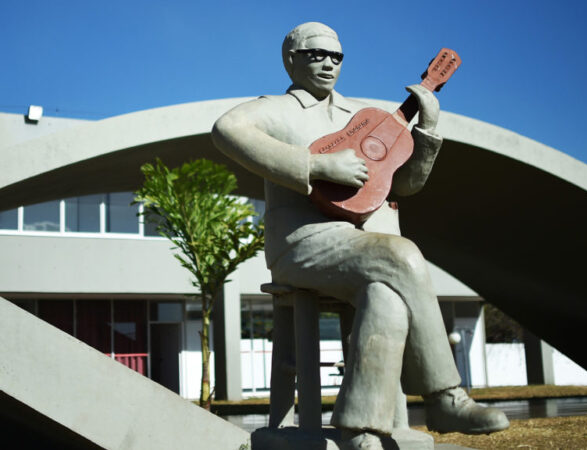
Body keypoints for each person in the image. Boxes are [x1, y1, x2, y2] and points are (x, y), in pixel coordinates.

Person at [212, 22, 508, 449]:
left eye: (336, 56)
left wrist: (427, 131)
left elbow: (400, 185)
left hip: (367, 247)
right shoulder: (273, 110)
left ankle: (360, 429)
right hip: (304, 243)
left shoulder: (363, 115)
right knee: (403, 257)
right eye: (315, 53)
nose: (328, 62)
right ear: (290, 59)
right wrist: (313, 167)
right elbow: (226, 130)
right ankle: (446, 396)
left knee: (386, 296)